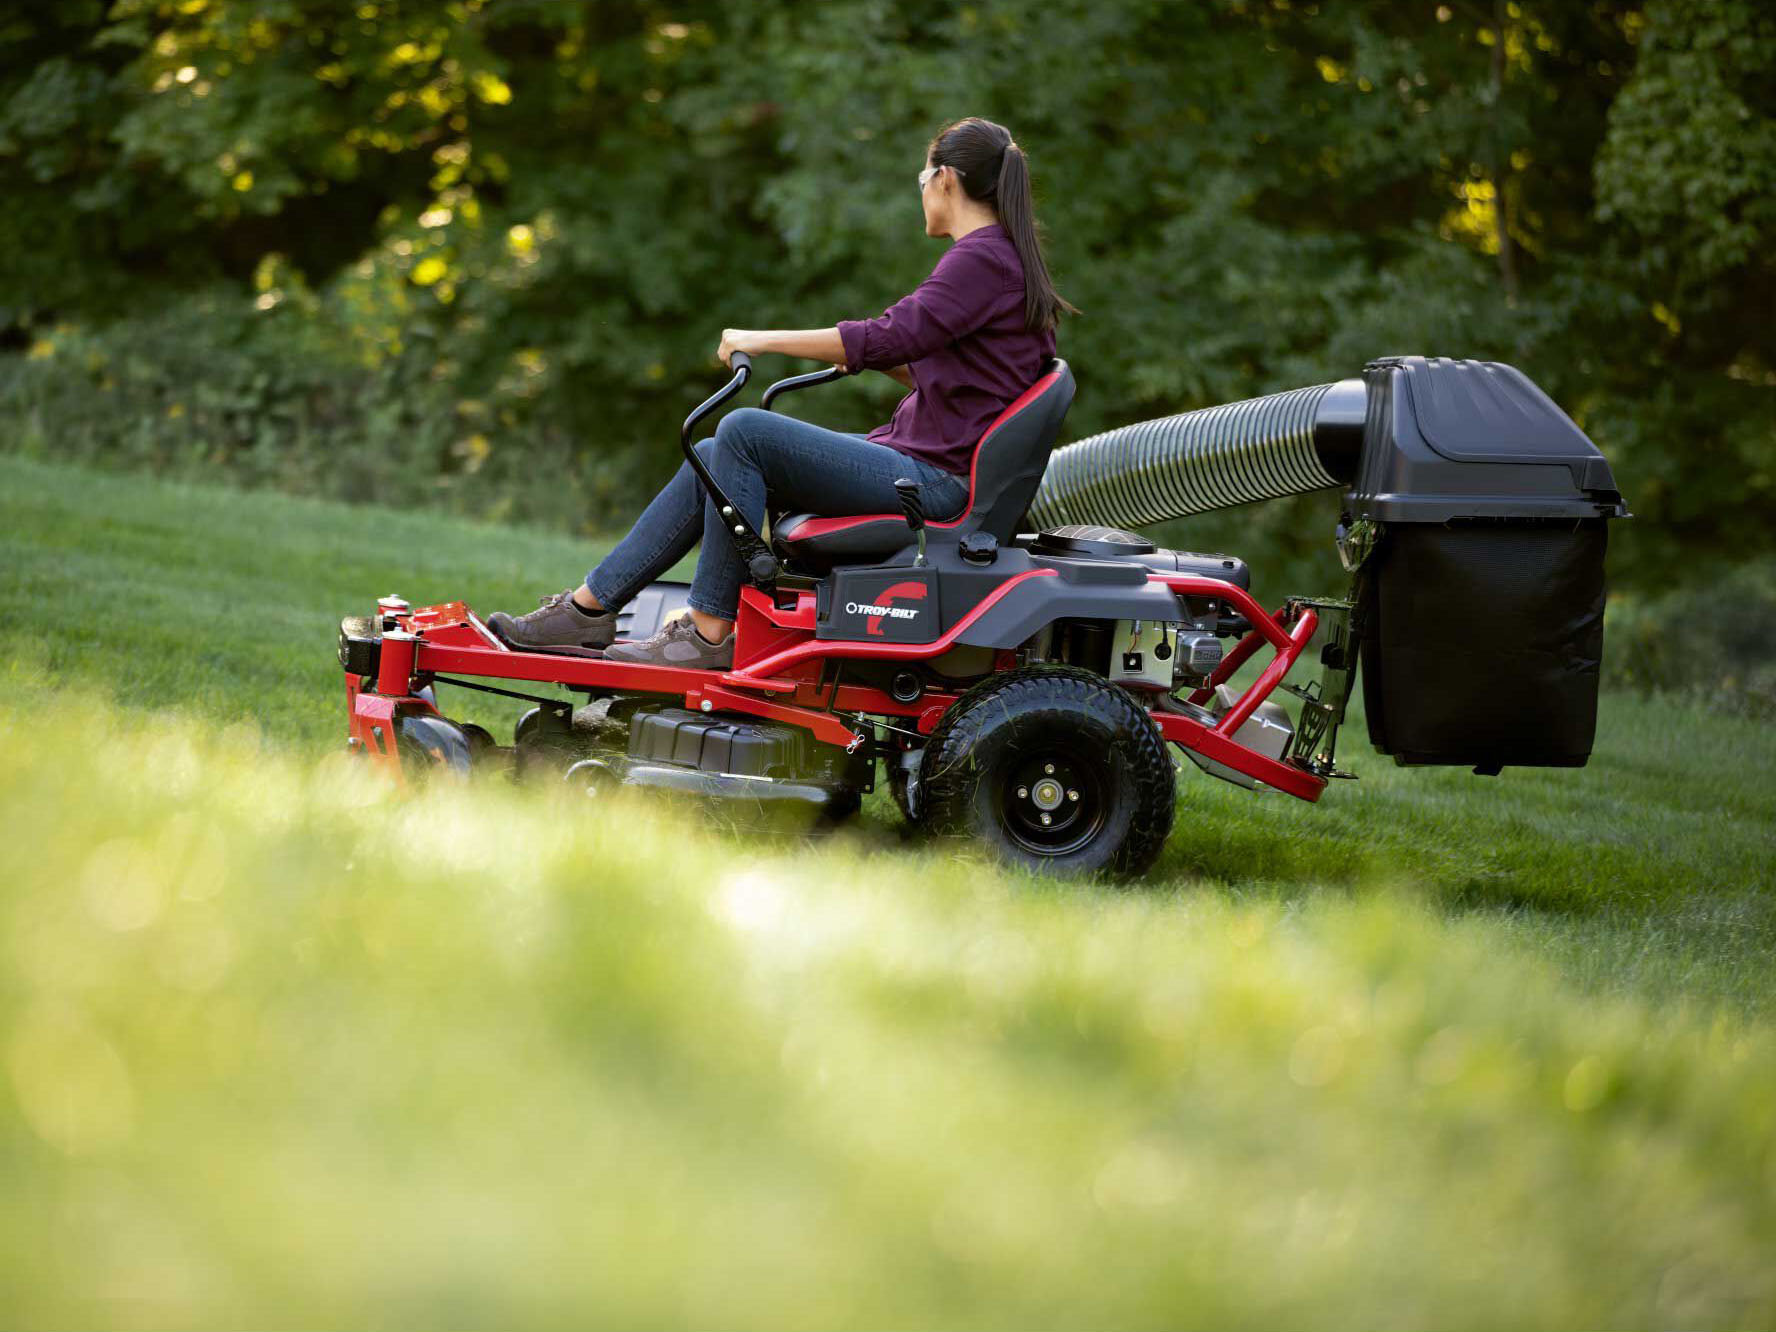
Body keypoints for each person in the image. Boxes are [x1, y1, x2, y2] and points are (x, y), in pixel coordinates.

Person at [488, 116, 1076, 669]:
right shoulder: (1001, 261)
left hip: (935, 484)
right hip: (928, 469)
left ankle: (707, 633)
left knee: (745, 431)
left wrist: (763, 339)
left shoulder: (981, 260)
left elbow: (888, 335)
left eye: (923, 179)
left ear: (945, 179)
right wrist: (876, 361)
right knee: (715, 453)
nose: (921, 192)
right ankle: (588, 611)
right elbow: (956, 379)